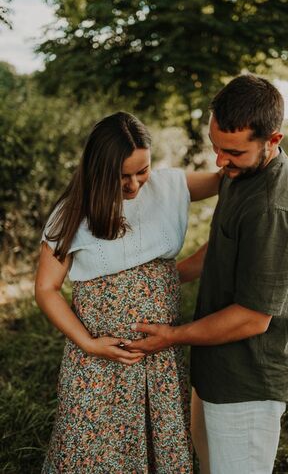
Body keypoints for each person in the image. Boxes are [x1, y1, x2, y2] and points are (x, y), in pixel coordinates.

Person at [126, 74, 288, 473]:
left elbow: (252, 317)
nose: (219, 161)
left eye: (232, 151)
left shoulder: (275, 211)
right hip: (215, 369)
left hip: (248, 382)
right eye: (215, 146)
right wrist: (157, 280)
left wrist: (171, 338)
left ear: (273, 140)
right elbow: (219, 248)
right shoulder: (241, 174)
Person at [35, 111, 223, 473]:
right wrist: (88, 343)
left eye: (143, 170)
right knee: (94, 452)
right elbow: (46, 288)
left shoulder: (168, 186)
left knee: (159, 448)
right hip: (99, 360)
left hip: (158, 358)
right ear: (98, 169)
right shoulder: (73, 212)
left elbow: (227, 178)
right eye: (123, 176)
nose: (135, 184)